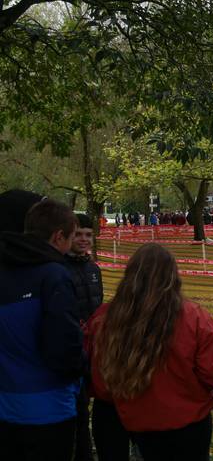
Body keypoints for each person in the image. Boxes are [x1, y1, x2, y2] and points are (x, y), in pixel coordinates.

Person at [86, 243, 213, 461]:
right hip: (187, 424)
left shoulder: (106, 319)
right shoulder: (195, 318)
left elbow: (101, 382)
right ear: (173, 275)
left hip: (138, 422)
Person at [0, 195, 84, 461]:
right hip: (50, 408)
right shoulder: (54, 276)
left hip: (7, 405)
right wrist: (81, 369)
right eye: (72, 238)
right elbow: (63, 346)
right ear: (58, 237)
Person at [65, 213, 104, 461]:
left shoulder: (93, 269)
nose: (83, 239)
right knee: (76, 408)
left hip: (94, 349)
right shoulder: (59, 269)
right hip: (72, 348)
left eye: (88, 235)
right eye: (78, 234)